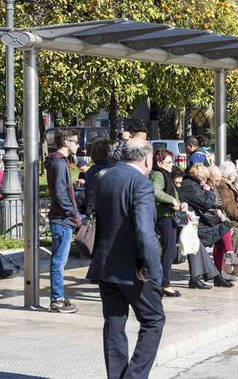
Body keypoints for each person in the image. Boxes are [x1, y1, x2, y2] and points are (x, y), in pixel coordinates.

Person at [86, 139, 165, 378]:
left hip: (105, 264)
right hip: (133, 269)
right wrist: (152, 268)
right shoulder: (140, 183)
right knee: (153, 321)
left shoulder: (103, 177)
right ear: (147, 159)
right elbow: (144, 230)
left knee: (114, 324)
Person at [178, 164, 235, 287]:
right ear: (199, 177)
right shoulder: (190, 186)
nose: (204, 181)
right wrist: (209, 191)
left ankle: (217, 273)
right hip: (193, 222)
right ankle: (216, 273)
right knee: (223, 227)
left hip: (197, 220)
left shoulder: (193, 184)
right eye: (203, 179)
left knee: (224, 227)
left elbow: (209, 203)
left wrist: (217, 208)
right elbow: (205, 203)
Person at [45, 128, 81, 313]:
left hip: (61, 217)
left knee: (60, 260)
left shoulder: (59, 162)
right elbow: (60, 193)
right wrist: (73, 214)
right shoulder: (59, 163)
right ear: (66, 142)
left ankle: (58, 297)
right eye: (75, 141)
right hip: (61, 218)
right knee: (59, 261)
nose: (78, 144)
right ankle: (56, 299)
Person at [150, 149, 187, 297]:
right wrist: (172, 200)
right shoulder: (159, 174)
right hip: (164, 217)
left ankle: (163, 282)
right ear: (160, 162)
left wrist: (179, 202)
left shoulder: (163, 174)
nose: (172, 165)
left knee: (169, 250)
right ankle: (165, 283)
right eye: (169, 162)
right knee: (169, 250)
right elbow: (155, 191)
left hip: (167, 216)